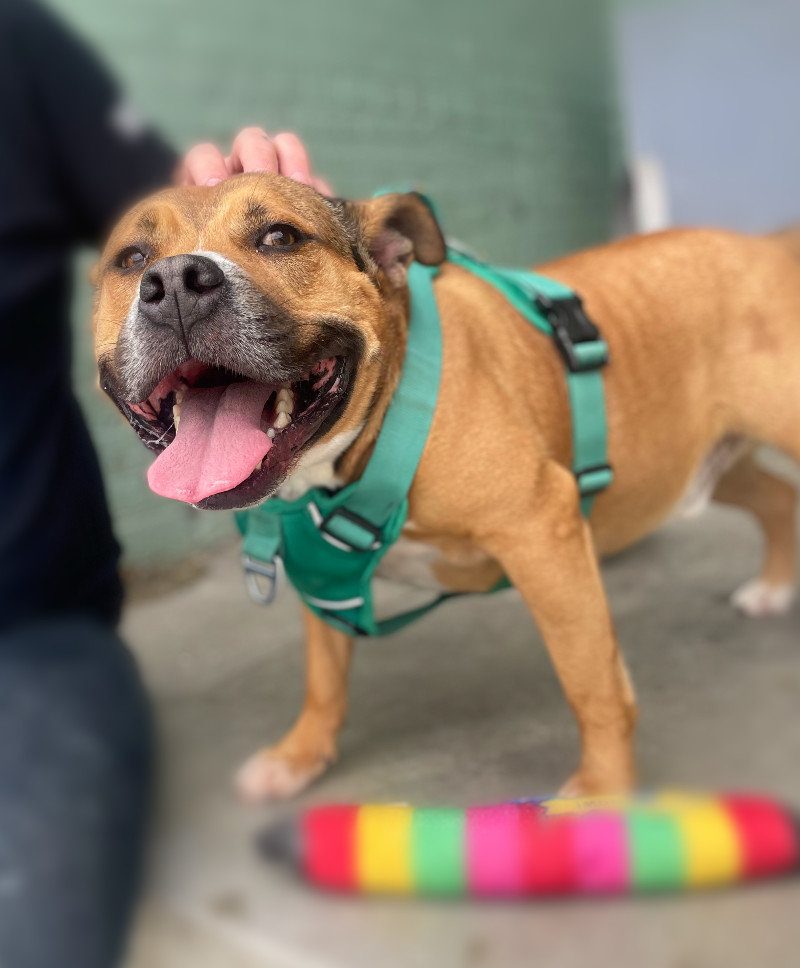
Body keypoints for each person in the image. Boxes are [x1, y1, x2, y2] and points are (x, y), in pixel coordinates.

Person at [0, 2, 322, 966]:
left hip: (25, 632)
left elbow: (169, 218)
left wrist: (277, 234)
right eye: (135, 268)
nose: (165, 277)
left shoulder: (16, 51)